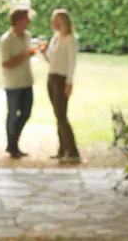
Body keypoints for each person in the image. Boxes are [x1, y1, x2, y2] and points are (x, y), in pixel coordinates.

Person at [41, 9, 80, 164]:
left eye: (56, 20)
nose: (53, 23)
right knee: (58, 115)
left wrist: (69, 82)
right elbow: (51, 60)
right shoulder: (55, 38)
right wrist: (44, 53)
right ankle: (62, 148)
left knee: (62, 115)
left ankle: (73, 150)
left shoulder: (70, 40)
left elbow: (72, 63)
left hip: (62, 78)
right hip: (52, 77)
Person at [0, 7, 35, 159]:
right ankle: (12, 146)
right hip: (13, 83)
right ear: (19, 21)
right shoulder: (6, 40)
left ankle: (14, 143)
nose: (29, 22)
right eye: (26, 19)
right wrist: (24, 56)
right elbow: (5, 63)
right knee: (12, 114)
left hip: (27, 81)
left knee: (26, 113)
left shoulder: (27, 36)